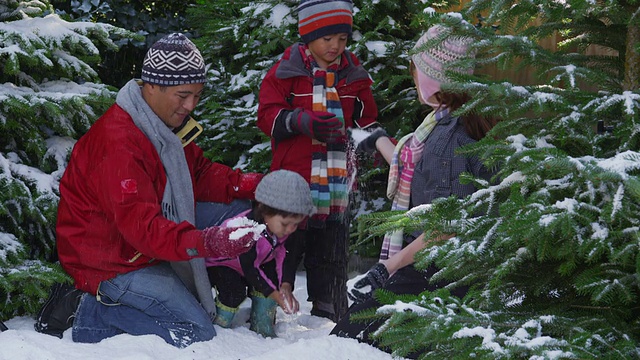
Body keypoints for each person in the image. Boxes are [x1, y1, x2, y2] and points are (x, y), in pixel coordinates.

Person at [34, 33, 265, 348]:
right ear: (151, 86)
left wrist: (255, 185)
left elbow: (197, 173)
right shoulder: (120, 143)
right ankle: (85, 310)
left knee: (241, 208)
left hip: (142, 243)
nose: (190, 105)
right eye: (183, 95)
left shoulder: (161, 126)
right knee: (194, 331)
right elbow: (141, 229)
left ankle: (224, 279)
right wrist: (207, 243)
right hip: (110, 261)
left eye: (197, 95)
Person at [330, 24, 499, 352]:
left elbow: (447, 224)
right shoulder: (448, 121)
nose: (413, 76)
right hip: (440, 267)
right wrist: (378, 140)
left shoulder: (448, 138)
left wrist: (386, 269)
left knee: (346, 343)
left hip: (432, 273)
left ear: (434, 77)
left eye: (417, 69)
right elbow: (424, 174)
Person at [256, 0, 380, 323]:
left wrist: (372, 146)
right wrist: (299, 121)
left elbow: (366, 121)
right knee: (284, 245)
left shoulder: (354, 75)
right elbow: (266, 115)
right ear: (308, 36)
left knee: (330, 247)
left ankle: (330, 310)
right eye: (327, 39)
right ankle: (268, 304)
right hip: (294, 182)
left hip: (335, 187)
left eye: (342, 38)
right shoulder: (287, 72)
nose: (335, 46)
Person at [205, 170, 316, 338]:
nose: (290, 230)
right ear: (264, 210)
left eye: (295, 224)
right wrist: (274, 293)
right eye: (285, 224)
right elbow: (250, 268)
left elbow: (284, 257)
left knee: (272, 281)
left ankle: (262, 324)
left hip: (258, 261)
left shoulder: (280, 230)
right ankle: (218, 328)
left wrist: (285, 284)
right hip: (223, 264)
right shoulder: (246, 231)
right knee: (234, 291)